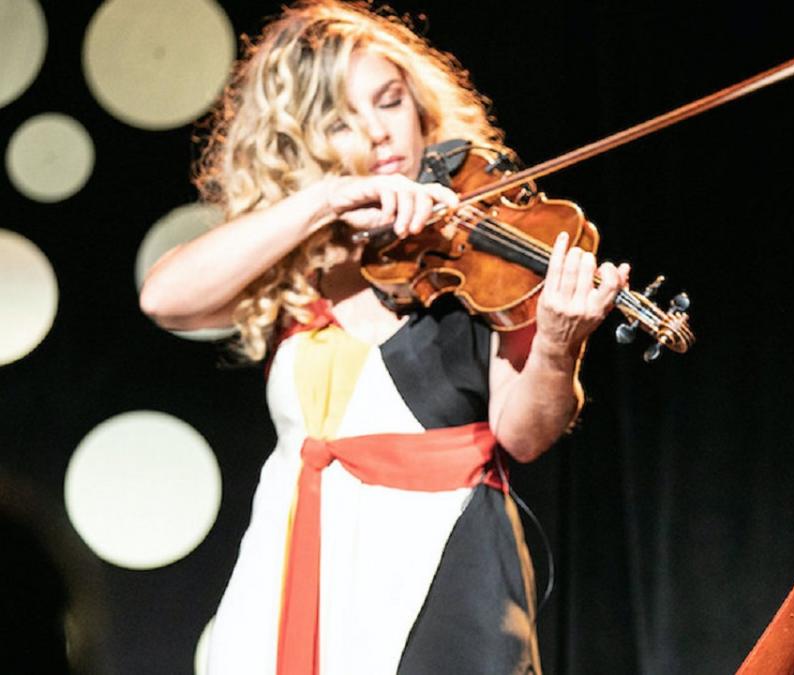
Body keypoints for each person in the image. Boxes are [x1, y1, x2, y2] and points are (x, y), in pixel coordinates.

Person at [139, 2, 630, 673]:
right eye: (342, 119)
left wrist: (556, 344)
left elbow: (524, 433)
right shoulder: (297, 253)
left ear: (422, 107)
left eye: (390, 101)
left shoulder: (481, 250)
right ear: (304, 141)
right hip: (294, 567)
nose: (378, 132)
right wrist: (323, 203)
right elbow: (164, 298)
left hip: (447, 571)